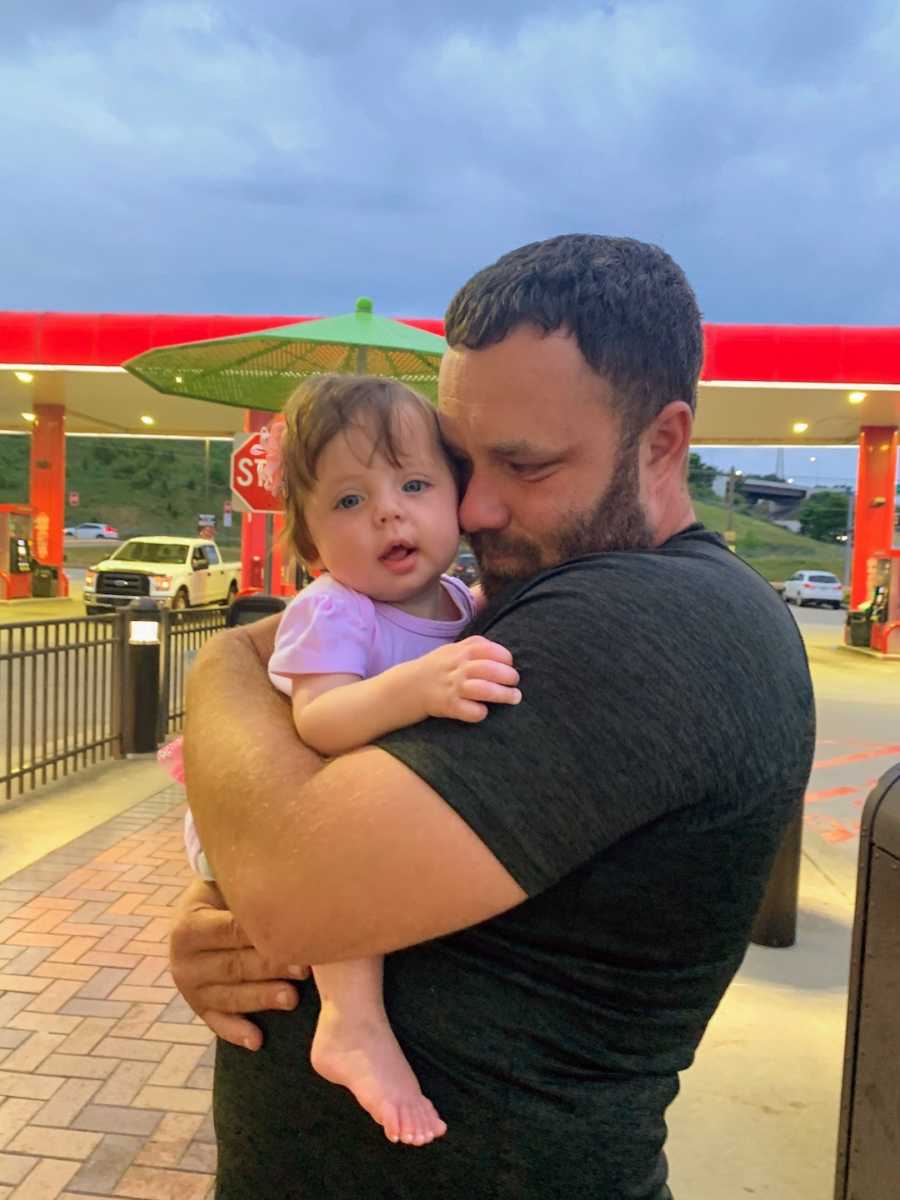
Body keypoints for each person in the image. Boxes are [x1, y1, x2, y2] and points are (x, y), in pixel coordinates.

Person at [170, 234, 815, 1200]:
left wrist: (218, 665)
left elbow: (297, 888)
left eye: (526, 465)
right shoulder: (523, 586)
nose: (472, 507)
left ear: (665, 441)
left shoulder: (653, 620)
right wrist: (217, 910)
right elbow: (296, 841)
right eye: (463, 461)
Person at [162, 375, 522, 1146]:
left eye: (415, 483)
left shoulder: (466, 603)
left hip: (328, 808)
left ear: (456, 495)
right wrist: (416, 687)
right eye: (350, 501)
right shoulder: (334, 609)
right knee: (339, 870)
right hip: (262, 813)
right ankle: (352, 1025)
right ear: (310, 542)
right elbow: (320, 720)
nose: (389, 510)